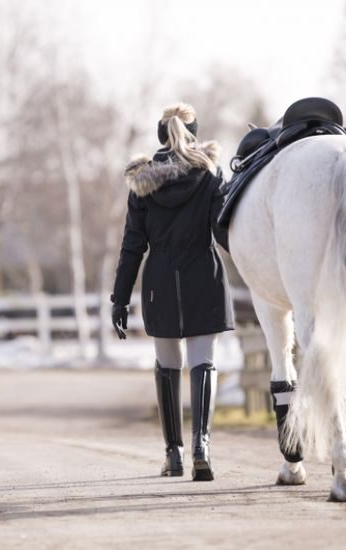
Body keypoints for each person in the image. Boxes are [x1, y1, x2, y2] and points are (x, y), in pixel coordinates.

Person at [111, 103, 234, 482]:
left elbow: (133, 245)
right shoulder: (210, 176)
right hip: (203, 275)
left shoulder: (142, 184)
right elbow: (225, 233)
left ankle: (174, 454)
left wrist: (119, 298)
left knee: (167, 366)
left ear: (160, 136)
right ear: (193, 132)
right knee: (203, 363)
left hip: (160, 281)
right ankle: (202, 446)